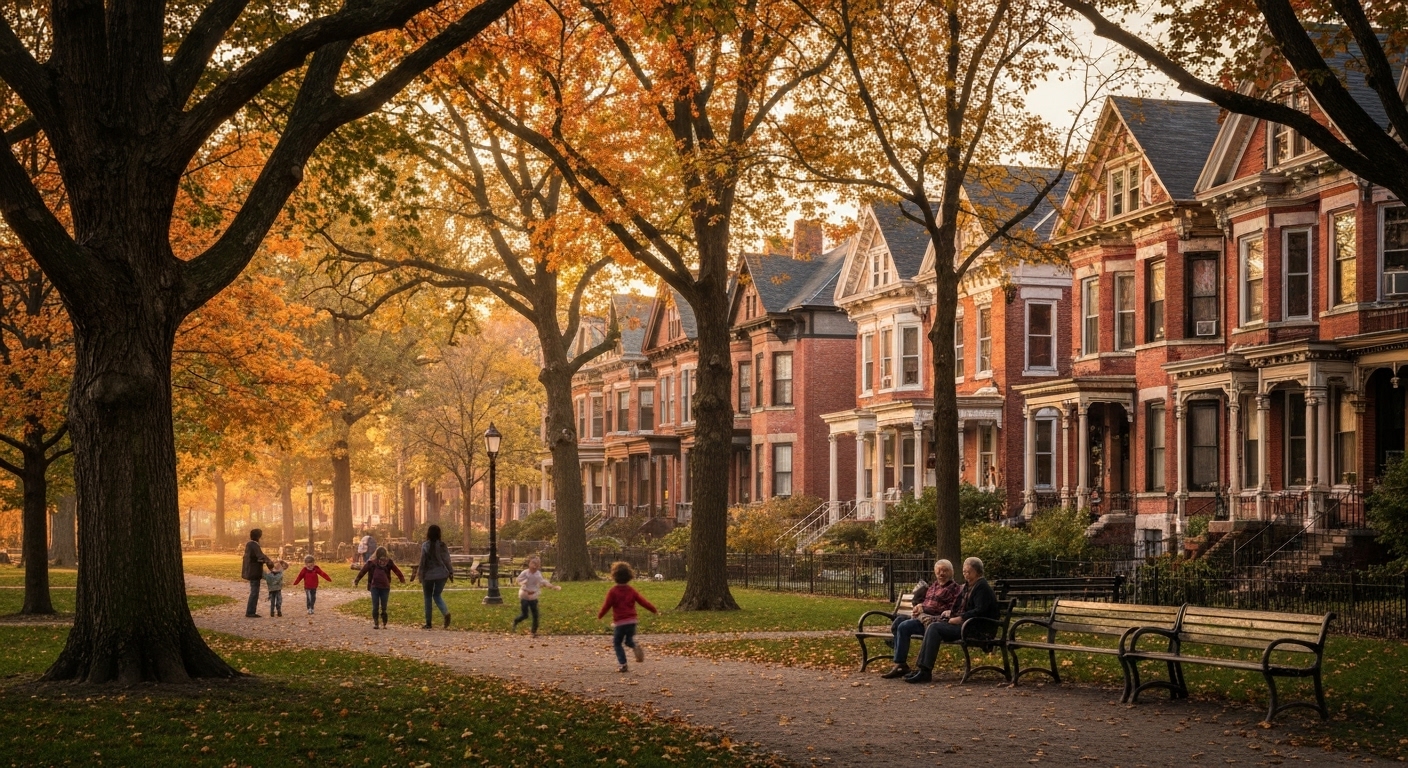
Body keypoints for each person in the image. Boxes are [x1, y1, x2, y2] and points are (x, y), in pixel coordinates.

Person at [904, 556, 1000, 684]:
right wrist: (951, 613)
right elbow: (958, 605)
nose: (965, 574)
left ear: (977, 572)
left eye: (968, 572)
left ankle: (925, 671)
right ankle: (922, 669)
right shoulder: (969, 586)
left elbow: (980, 610)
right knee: (934, 625)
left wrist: (960, 618)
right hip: (967, 625)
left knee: (934, 628)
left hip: (978, 629)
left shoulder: (982, 587)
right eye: (964, 571)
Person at [880, 559, 961, 680]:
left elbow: (950, 610)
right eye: (939, 570)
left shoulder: (955, 589)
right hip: (923, 618)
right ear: (935, 572)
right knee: (898, 621)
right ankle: (901, 663)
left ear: (952, 572)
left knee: (904, 626)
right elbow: (926, 603)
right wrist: (919, 606)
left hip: (934, 622)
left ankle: (899, 661)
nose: (941, 573)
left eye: (945, 570)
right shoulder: (933, 586)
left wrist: (924, 608)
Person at [597, 561, 657, 672]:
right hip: (632, 621)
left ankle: (623, 664)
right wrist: (653, 609)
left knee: (617, 643)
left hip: (620, 622)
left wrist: (600, 615)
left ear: (614, 576)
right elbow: (642, 601)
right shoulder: (631, 591)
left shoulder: (613, 592)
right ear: (629, 576)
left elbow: (607, 605)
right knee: (628, 640)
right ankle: (634, 646)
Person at [413, 524, 455, 629]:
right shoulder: (442, 545)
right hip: (442, 574)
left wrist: (420, 574)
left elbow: (423, 561)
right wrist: (450, 572)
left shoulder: (425, 546)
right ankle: (445, 612)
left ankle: (428, 623)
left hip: (428, 575)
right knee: (437, 595)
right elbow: (447, 560)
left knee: (427, 598)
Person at [354, 545, 405, 629]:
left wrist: (356, 581)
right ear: (385, 553)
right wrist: (402, 579)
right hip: (385, 587)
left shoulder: (371, 562)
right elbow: (397, 570)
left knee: (375, 606)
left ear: (376, 553)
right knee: (384, 607)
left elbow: (363, 571)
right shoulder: (389, 562)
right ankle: (384, 623)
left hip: (374, 587)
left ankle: (376, 623)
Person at [512, 555, 560, 637]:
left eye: (537, 564)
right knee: (525, 615)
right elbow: (518, 580)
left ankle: (533, 632)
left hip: (533, 596)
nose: (535, 566)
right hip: (525, 595)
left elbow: (543, 582)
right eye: (533, 563)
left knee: (535, 614)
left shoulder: (538, 574)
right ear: (529, 564)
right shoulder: (525, 573)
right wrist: (523, 582)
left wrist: (553, 587)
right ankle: (516, 621)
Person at [242, 529, 273, 618]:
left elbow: (258, 556)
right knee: (254, 591)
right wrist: (270, 563)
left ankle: (250, 611)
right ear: (259, 536)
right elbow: (260, 556)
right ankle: (250, 612)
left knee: (254, 591)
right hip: (254, 571)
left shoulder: (250, 544)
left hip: (251, 571)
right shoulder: (254, 545)